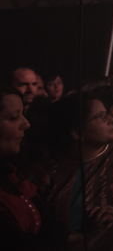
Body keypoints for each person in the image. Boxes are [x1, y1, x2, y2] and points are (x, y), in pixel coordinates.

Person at [31, 93, 113, 240]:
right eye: (101, 116)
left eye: (107, 114)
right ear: (77, 132)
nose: (111, 120)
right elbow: (37, 230)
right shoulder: (44, 174)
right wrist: (82, 236)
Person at [0, 84, 68, 250]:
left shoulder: (11, 174)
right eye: (14, 118)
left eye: (23, 114)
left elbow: (54, 227)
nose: (26, 124)